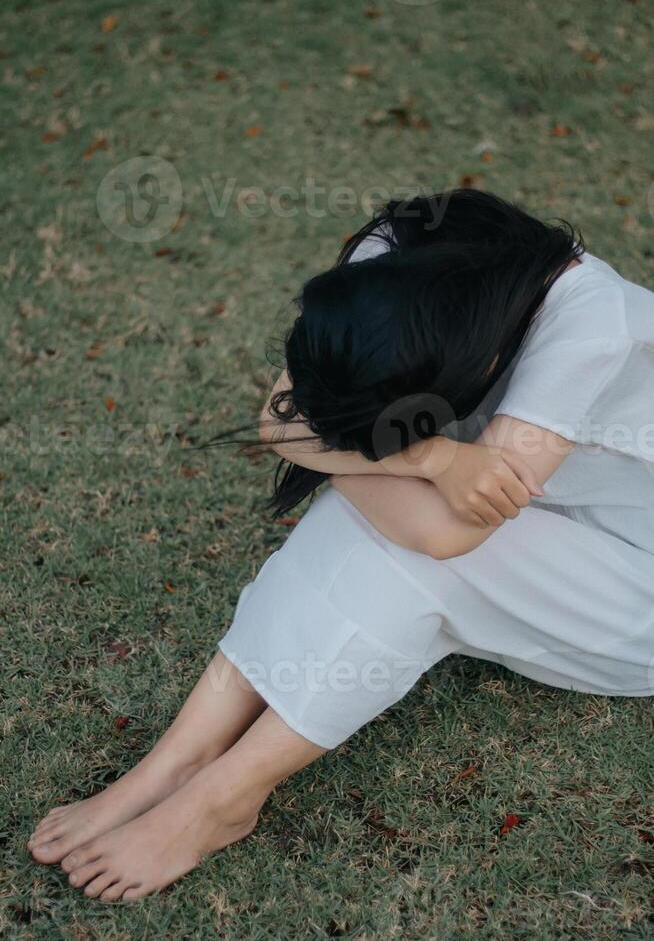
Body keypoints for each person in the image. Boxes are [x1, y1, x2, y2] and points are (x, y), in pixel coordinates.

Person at [28, 190, 654, 901]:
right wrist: (434, 461)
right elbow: (283, 418)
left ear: (477, 363)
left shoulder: (589, 329)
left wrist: (354, 455)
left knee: (402, 542)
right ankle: (174, 762)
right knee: (386, 504)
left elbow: (444, 532)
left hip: (638, 586)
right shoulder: (397, 247)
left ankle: (223, 797)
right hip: (560, 534)